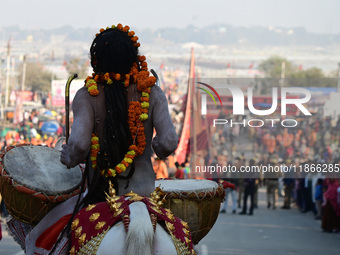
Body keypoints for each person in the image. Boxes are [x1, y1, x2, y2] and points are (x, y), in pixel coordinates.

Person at [8, 23, 180, 254]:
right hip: (147, 196)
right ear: (134, 57)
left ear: (96, 60)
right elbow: (168, 142)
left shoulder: (88, 95)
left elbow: (79, 145)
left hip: (99, 199)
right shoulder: (153, 93)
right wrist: (155, 146)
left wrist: (70, 156)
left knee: (48, 240)